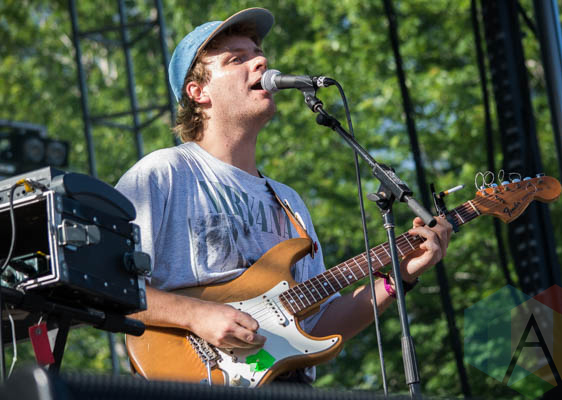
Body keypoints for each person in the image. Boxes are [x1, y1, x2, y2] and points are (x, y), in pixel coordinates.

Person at [116, 7, 452, 382]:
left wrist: (397, 278)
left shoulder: (288, 202)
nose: (260, 62)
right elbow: (103, 282)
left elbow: (320, 324)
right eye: (237, 59)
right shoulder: (163, 174)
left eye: (258, 54)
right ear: (199, 92)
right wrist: (197, 315)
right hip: (196, 378)